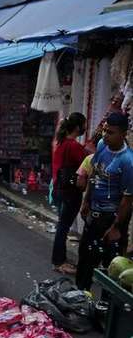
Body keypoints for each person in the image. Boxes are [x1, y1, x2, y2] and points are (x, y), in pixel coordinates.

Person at [76, 113, 133, 291]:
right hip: (95, 211)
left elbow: (127, 199)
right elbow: (94, 174)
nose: (106, 135)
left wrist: (116, 227)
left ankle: (107, 308)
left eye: (111, 132)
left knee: (111, 265)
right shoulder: (101, 145)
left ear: (123, 134)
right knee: (86, 256)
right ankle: (80, 297)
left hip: (113, 217)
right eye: (105, 130)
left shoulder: (128, 161)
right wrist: (86, 201)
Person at [50, 112, 87, 275]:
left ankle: (60, 259)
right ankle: (59, 261)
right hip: (70, 192)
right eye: (84, 124)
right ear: (78, 127)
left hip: (59, 189)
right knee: (63, 227)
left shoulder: (61, 143)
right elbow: (86, 164)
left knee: (62, 225)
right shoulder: (73, 146)